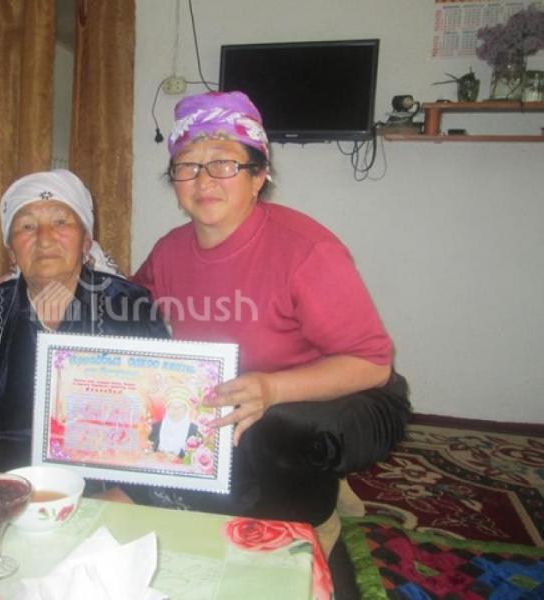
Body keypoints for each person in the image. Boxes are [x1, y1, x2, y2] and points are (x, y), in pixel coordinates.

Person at [131, 91, 411, 532]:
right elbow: (127, 303)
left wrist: (273, 388)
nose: (204, 181)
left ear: (258, 176)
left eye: (224, 163)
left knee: (276, 433)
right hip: (240, 395)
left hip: (350, 396)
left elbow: (373, 365)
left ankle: (315, 520)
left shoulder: (308, 251)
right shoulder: (169, 251)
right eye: (188, 166)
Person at [0, 169, 169, 474]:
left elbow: (162, 415)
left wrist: (126, 491)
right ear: (12, 252)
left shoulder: (131, 306)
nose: (44, 238)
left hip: (104, 484)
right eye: (27, 226)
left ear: (85, 243)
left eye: (60, 222)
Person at [149, 388, 199, 458]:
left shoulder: (195, 430)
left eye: (179, 407)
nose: (175, 411)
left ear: (186, 409)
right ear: (167, 408)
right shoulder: (155, 427)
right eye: (171, 407)